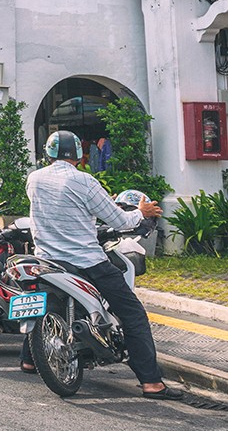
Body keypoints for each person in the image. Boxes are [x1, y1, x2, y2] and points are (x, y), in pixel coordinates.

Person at [21, 130, 179, 399]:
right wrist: (141, 212)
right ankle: (152, 383)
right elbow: (120, 221)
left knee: (48, 304)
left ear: (48, 153)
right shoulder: (84, 181)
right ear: (79, 155)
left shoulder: (34, 179)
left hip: (46, 260)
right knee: (132, 313)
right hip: (86, 261)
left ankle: (28, 360)